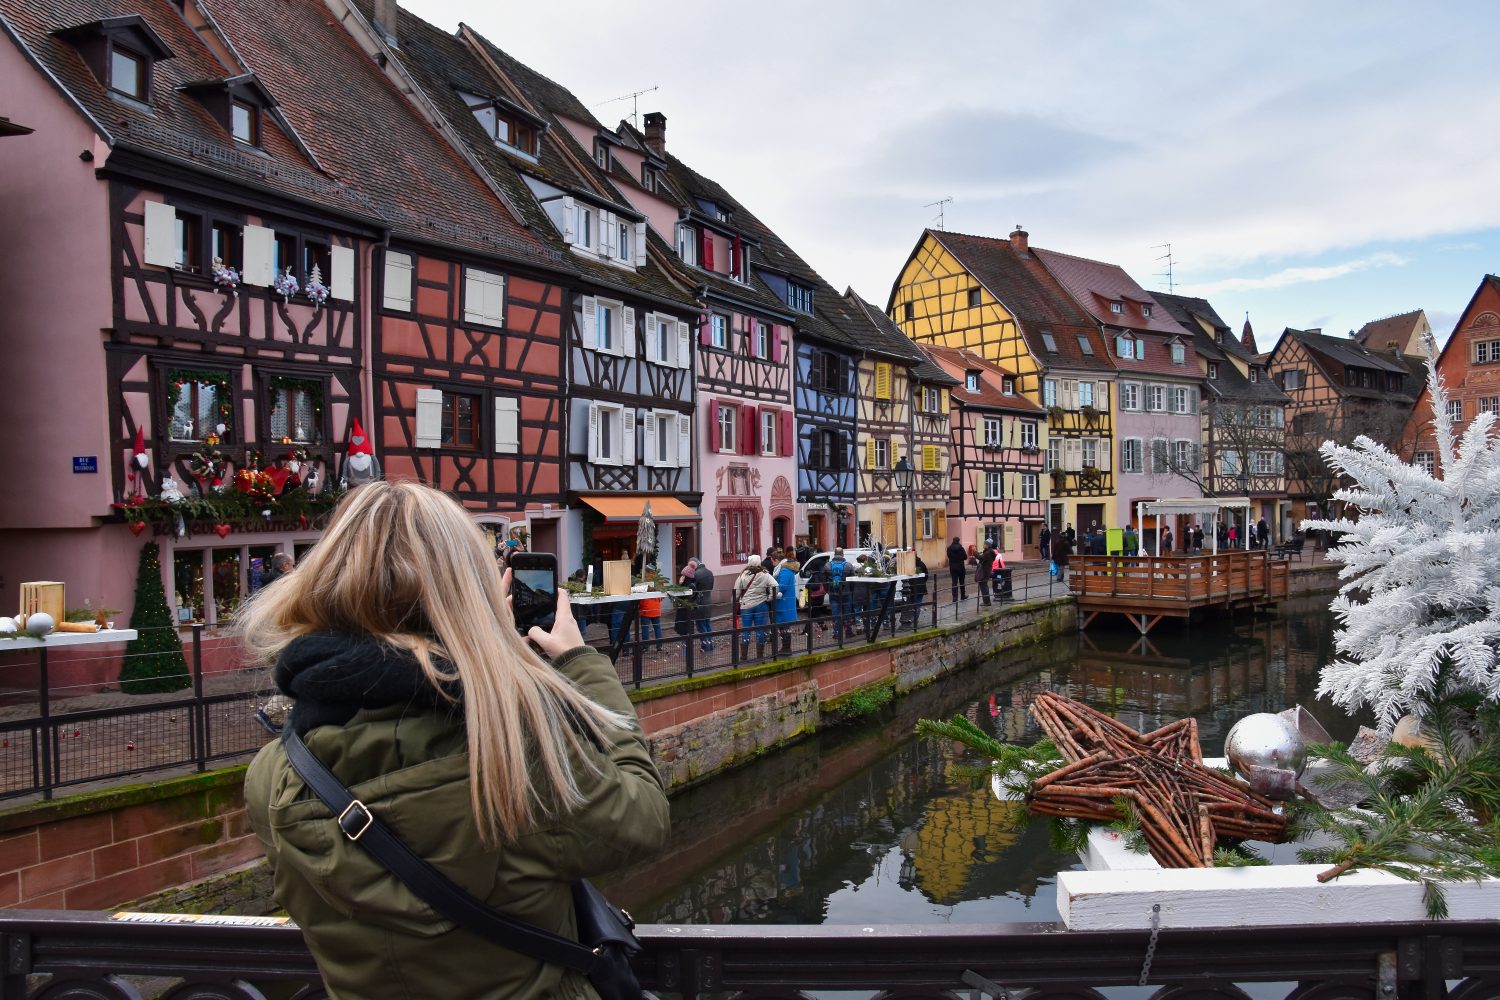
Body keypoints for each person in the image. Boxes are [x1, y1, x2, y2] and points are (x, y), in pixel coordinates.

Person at [240, 481, 669, 999]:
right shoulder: (509, 750)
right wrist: (580, 665)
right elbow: (643, 817)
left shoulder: (275, 775)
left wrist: (488, 656)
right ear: (467, 593)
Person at [733, 555, 778, 660]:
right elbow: (775, 585)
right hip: (761, 604)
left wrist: (736, 601)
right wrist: (770, 597)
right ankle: (760, 655)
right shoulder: (765, 574)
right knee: (760, 630)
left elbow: (736, 591)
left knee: (746, 630)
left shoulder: (743, 575)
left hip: (746, 606)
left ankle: (744, 656)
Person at [772, 557, 800, 655]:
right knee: (785, 626)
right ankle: (786, 647)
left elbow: (782, 586)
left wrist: (773, 589)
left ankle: (786, 648)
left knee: (783, 626)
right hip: (787, 603)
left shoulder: (784, 571)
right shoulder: (790, 571)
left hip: (783, 603)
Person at [690, 558, 715, 652]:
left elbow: (693, 589)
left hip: (699, 603)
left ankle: (706, 647)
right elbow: (711, 587)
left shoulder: (696, 574)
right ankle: (711, 645)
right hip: (708, 601)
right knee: (707, 624)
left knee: (701, 626)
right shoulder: (709, 572)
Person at [829, 547, 854, 636]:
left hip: (833, 593)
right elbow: (852, 580)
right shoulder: (848, 565)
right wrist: (850, 590)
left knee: (835, 613)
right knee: (847, 612)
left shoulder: (827, 565)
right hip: (846, 593)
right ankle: (848, 631)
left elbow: (823, 580)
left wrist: (828, 590)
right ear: (843, 554)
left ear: (834, 554)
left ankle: (836, 632)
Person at [638, 566, 663, 653]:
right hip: (656, 608)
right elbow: (662, 594)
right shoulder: (659, 580)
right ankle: (659, 646)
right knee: (657, 628)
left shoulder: (643, 580)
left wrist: (640, 606)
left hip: (646, 608)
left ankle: (645, 646)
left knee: (645, 628)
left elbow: (640, 595)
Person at [973, 542, 995, 607]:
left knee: (983, 586)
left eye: (984, 544)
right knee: (984, 585)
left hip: (985, 571)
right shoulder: (989, 552)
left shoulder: (988, 553)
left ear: (987, 545)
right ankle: (986, 601)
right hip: (987, 570)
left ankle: (987, 602)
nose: (983, 545)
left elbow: (980, 557)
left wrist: (974, 551)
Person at [945, 537, 968, 602]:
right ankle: (962, 596)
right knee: (962, 582)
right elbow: (965, 557)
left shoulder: (949, 548)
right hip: (961, 567)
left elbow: (949, 556)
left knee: (954, 583)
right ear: (958, 541)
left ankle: (954, 598)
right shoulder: (961, 548)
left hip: (953, 568)